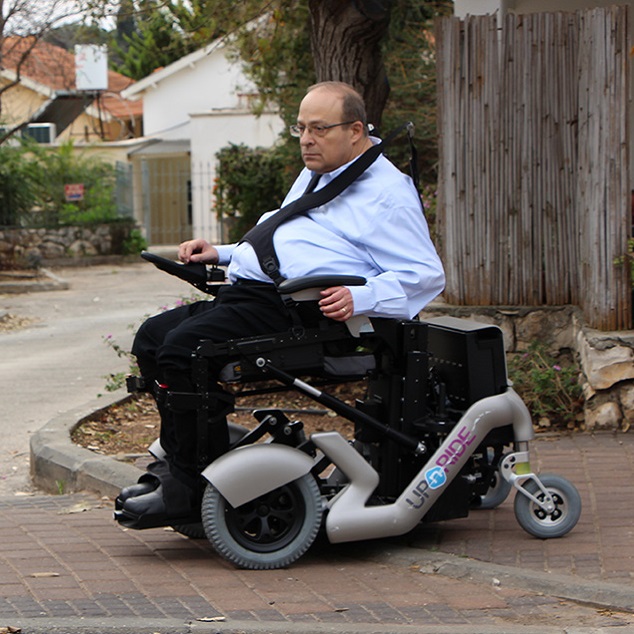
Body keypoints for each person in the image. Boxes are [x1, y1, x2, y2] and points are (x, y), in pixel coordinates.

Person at [119, 81, 445, 525]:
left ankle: (192, 487)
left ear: (354, 130)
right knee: (153, 338)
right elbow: (292, 238)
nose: (306, 139)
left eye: (318, 129)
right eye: (300, 128)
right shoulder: (322, 170)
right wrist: (225, 252)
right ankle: (188, 460)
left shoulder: (387, 193)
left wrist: (361, 295)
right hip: (253, 293)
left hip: (300, 310)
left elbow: (426, 274)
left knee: (185, 350)